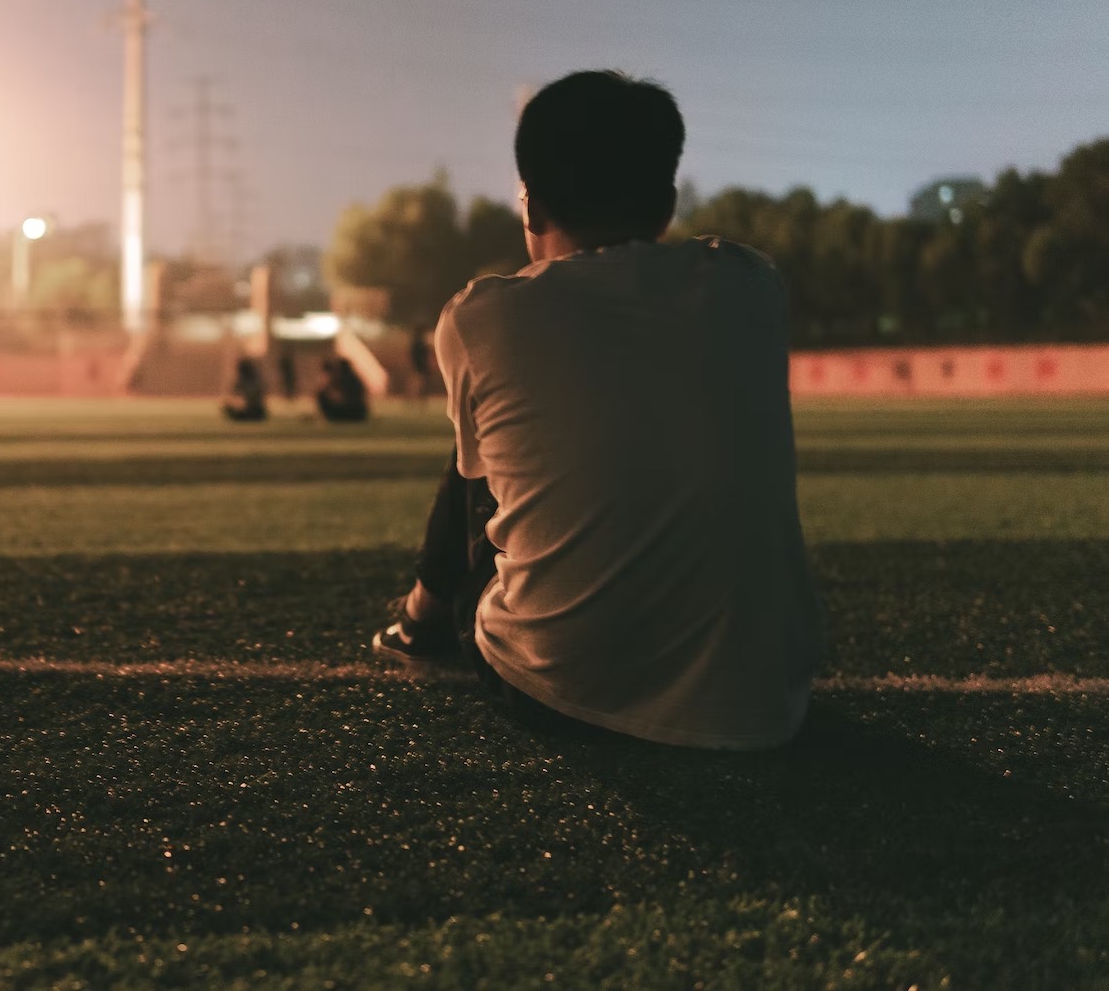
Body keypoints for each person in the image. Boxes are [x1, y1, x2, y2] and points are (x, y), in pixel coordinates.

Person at [371, 70, 821, 750]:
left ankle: (418, 624)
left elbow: (479, 484)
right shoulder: (751, 285)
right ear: (667, 203)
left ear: (530, 206)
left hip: (563, 690)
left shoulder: (483, 315)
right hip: (770, 701)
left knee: (478, 459)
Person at [315, 356, 369, 423]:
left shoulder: (348, 381)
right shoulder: (354, 380)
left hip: (350, 412)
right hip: (357, 414)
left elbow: (341, 398)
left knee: (321, 395)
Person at [221, 357, 268, 422]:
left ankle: (243, 416)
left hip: (253, 410)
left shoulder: (251, 382)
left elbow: (251, 399)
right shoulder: (254, 381)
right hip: (252, 411)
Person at [408, 325, 433, 403]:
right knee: (419, 383)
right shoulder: (420, 344)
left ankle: (417, 398)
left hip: (418, 365)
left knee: (418, 383)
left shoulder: (416, 343)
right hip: (420, 366)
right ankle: (417, 398)